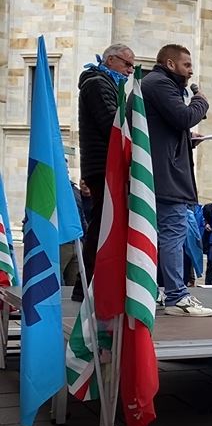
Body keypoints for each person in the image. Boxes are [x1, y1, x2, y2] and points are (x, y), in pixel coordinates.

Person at [144, 44, 212, 317]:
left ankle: (162, 290)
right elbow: (184, 117)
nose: (191, 71)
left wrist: (186, 142)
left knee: (166, 235)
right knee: (173, 233)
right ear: (170, 64)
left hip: (161, 174)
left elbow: (167, 130)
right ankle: (177, 296)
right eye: (187, 65)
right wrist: (201, 101)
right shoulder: (160, 83)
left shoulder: (155, 83)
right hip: (167, 180)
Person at [74, 43, 135, 301]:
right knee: (101, 225)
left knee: (103, 223)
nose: (131, 70)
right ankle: (86, 284)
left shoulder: (105, 83)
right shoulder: (98, 84)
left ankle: (89, 283)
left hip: (103, 165)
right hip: (102, 166)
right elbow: (112, 122)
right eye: (127, 64)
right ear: (110, 61)